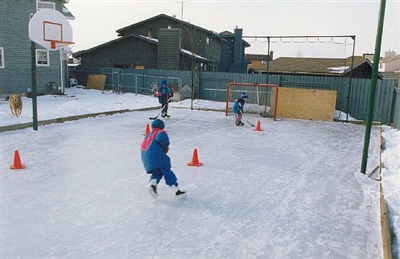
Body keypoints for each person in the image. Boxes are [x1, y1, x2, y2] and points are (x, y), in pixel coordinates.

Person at [140, 119, 186, 199]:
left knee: (157, 172)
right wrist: (165, 147)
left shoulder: (148, 135)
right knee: (167, 171)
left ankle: (152, 185)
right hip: (158, 156)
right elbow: (163, 140)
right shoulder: (160, 132)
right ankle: (176, 191)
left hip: (147, 159)